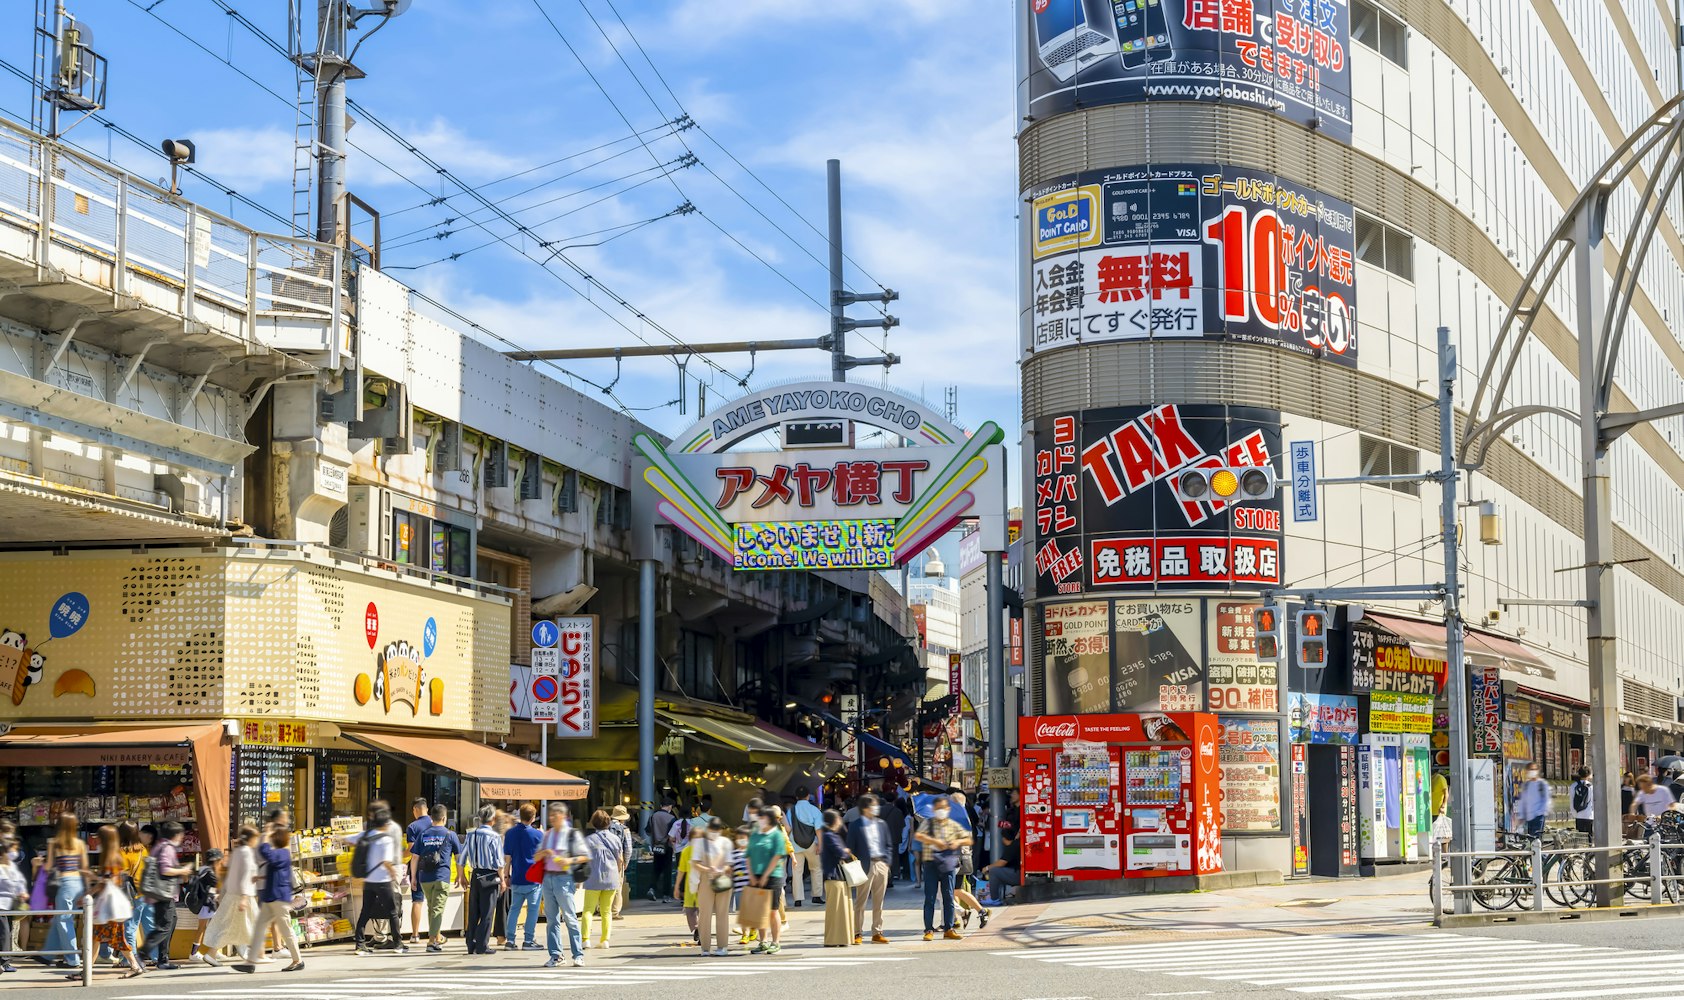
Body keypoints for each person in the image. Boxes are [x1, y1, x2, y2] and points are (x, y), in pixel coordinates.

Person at [79, 825, 143, 981]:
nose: (97, 839)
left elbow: (108, 881)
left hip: (109, 906)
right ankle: (134, 966)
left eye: (99, 837)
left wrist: (90, 887)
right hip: (111, 906)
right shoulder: (114, 855)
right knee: (108, 938)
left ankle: (86, 972)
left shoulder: (110, 857)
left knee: (99, 938)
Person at [234, 827, 302, 974]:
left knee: (286, 929)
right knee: (259, 928)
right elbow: (277, 873)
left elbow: (266, 853)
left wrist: (264, 838)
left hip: (279, 898)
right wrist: (260, 878)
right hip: (272, 896)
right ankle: (250, 962)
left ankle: (298, 960)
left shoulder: (282, 853)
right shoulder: (281, 854)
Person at [537, 803, 590, 968]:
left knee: (570, 918)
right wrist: (544, 853)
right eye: (551, 815)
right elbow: (536, 858)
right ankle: (556, 955)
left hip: (564, 878)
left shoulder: (571, 835)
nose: (552, 818)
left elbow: (585, 856)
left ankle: (578, 954)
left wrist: (569, 860)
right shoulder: (547, 835)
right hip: (548, 878)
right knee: (551, 919)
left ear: (564, 816)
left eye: (555, 815)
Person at [353, 802, 407, 955]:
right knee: (392, 912)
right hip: (383, 880)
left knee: (365, 911)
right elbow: (386, 860)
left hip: (369, 880)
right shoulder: (387, 838)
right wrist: (392, 873)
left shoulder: (368, 834)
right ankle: (398, 943)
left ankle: (360, 944)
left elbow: (351, 839)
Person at [915, 796, 970, 941]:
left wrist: (957, 841)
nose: (941, 811)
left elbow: (968, 838)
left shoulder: (953, 824)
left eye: (943, 808)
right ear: (933, 809)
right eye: (938, 808)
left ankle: (949, 928)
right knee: (930, 898)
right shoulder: (928, 823)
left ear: (948, 809)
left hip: (948, 864)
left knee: (948, 897)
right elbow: (919, 836)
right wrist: (934, 841)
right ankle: (928, 929)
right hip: (931, 863)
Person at [203, 826, 258, 965]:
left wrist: (222, 893)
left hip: (232, 895)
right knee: (245, 925)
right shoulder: (247, 853)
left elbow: (228, 876)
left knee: (232, 925)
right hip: (242, 896)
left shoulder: (237, 852)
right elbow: (245, 875)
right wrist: (245, 897)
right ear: (251, 839)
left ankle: (245, 952)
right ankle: (252, 955)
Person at [411, 804, 461, 952]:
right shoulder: (450, 835)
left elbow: (414, 857)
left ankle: (436, 936)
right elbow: (459, 857)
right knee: (437, 909)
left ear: (431, 817)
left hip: (425, 878)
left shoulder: (423, 834)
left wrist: (413, 877)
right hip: (442, 877)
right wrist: (460, 875)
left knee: (431, 908)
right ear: (444, 818)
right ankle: (432, 941)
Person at [142, 820, 190, 970]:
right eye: (181, 834)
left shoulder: (159, 846)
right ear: (176, 835)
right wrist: (182, 871)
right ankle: (141, 954)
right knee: (164, 927)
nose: (182, 837)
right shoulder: (167, 848)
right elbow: (165, 870)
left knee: (168, 924)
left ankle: (163, 959)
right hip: (163, 894)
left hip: (160, 893)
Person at [44, 812, 89, 970]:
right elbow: (84, 868)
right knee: (63, 920)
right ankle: (47, 955)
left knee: (64, 921)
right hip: (78, 883)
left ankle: (72, 959)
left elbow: (49, 866)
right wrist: (87, 891)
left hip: (64, 883)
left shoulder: (54, 842)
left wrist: (39, 864)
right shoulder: (80, 843)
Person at [847, 793, 892, 945]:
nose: (876, 808)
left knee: (879, 902)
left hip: (880, 863)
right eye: (873, 805)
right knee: (861, 901)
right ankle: (857, 932)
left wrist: (887, 862)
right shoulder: (855, 824)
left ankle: (877, 931)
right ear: (865, 808)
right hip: (864, 864)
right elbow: (850, 847)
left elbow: (888, 845)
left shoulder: (881, 824)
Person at [459, 805, 505, 955]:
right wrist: (503, 880)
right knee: (487, 912)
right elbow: (499, 862)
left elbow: (462, 858)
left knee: (474, 912)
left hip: (475, 874)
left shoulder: (471, 835)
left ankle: (470, 943)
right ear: (493, 819)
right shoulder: (495, 837)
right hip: (490, 877)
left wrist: (461, 875)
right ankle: (482, 945)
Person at [744, 807, 790, 954]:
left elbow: (777, 856)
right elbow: (748, 855)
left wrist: (765, 875)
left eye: (762, 818)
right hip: (756, 876)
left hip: (773, 876)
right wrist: (751, 874)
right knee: (759, 911)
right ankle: (763, 941)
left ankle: (775, 942)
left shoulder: (776, 834)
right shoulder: (755, 834)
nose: (760, 820)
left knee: (772, 910)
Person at [581, 809, 625, 950]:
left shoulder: (588, 840)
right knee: (606, 911)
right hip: (611, 878)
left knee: (588, 910)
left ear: (593, 823)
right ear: (608, 823)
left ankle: (585, 939)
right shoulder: (615, 839)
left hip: (593, 878)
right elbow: (620, 860)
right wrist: (617, 873)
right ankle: (605, 940)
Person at [501, 804, 543, 951]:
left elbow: (507, 857)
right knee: (532, 910)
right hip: (533, 878)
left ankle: (510, 940)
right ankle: (528, 940)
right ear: (533, 817)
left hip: (517, 876)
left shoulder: (510, 833)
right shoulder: (538, 835)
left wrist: (506, 876)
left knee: (514, 909)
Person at [690, 818, 733, 957]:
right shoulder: (700, 842)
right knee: (704, 914)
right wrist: (709, 869)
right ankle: (705, 948)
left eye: (716, 830)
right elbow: (695, 863)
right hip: (706, 879)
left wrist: (721, 870)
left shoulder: (726, 842)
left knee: (722, 914)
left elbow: (729, 863)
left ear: (720, 830)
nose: (714, 832)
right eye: (712, 829)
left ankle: (723, 946)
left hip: (723, 880)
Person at [949, 792, 988, 929]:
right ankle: (957, 917)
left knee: (953, 890)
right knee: (955, 890)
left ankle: (977, 911)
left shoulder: (956, 818)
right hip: (964, 856)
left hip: (956, 858)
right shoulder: (965, 817)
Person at [819, 809, 855, 948]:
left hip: (836, 877)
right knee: (837, 911)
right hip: (835, 876)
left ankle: (839, 938)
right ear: (835, 821)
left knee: (839, 910)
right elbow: (841, 852)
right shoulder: (830, 835)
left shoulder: (830, 834)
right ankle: (834, 939)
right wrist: (846, 851)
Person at [185, 847, 224, 965]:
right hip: (206, 904)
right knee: (203, 928)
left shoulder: (202, 869)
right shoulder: (210, 872)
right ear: (216, 860)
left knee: (211, 927)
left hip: (204, 903)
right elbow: (215, 886)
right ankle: (193, 953)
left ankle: (214, 950)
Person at [787, 788, 824, 907]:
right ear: (808, 796)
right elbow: (818, 829)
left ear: (796, 797)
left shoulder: (790, 811)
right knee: (816, 868)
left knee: (797, 871)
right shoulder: (814, 810)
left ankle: (798, 899)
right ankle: (816, 896)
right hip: (812, 843)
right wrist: (821, 844)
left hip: (795, 844)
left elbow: (788, 828)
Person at [116, 823, 147, 957]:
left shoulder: (121, 851)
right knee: (133, 926)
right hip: (141, 891)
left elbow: (120, 873)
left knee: (128, 927)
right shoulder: (142, 850)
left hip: (126, 893)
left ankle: (131, 959)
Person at [404, 798, 432, 946]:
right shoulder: (437, 823)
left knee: (418, 901)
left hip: (419, 867)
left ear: (415, 810)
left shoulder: (412, 827)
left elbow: (411, 851)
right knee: (434, 903)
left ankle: (415, 934)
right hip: (437, 868)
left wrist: (398, 855)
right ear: (426, 809)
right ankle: (435, 934)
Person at [0, 824, 23, 974]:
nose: (9, 836)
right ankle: (4, 961)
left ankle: (5, 960)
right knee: (4, 930)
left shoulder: (10, 848)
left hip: (8, 896)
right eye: (7, 833)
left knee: (7, 928)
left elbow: (20, 857)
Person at [646, 799, 678, 903]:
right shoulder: (672, 818)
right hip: (667, 847)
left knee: (656, 869)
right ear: (670, 807)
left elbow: (648, 831)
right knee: (667, 871)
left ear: (661, 805)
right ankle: (666, 895)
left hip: (656, 847)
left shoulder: (653, 816)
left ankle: (652, 889)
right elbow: (673, 835)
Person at [607, 806, 635, 920]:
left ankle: (603, 909)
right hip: (618, 860)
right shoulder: (624, 829)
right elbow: (628, 849)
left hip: (605, 859)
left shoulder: (605, 827)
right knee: (617, 886)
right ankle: (614, 912)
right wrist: (626, 862)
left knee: (605, 884)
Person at [675, 825, 701, 943]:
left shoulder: (705, 851)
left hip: (703, 886)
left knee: (703, 910)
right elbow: (681, 870)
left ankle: (702, 930)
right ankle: (696, 928)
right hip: (690, 886)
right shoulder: (686, 851)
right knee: (690, 911)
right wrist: (677, 886)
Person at [982, 830, 1020, 905]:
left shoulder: (1013, 846)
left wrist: (986, 868)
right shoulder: (1017, 843)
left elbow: (1001, 863)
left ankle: (994, 899)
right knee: (998, 873)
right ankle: (999, 896)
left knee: (994, 871)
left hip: (1018, 875)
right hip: (1020, 873)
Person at [1511, 766, 1552, 837]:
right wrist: (1521, 816)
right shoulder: (1526, 785)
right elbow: (1523, 801)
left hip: (1538, 817)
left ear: (1537, 770)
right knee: (1530, 838)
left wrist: (1540, 813)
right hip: (1529, 817)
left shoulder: (1542, 784)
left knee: (1536, 839)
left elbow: (1546, 800)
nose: (1532, 771)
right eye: (1530, 770)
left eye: (1533, 769)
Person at [1570, 767, 1594, 837]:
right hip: (1589, 815)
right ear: (1589, 775)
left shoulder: (1573, 786)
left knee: (1580, 837)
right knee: (1589, 837)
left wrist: (1575, 814)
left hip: (1578, 815)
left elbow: (1572, 801)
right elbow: (1593, 801)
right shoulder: (1591, 787)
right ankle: (1589, 847)